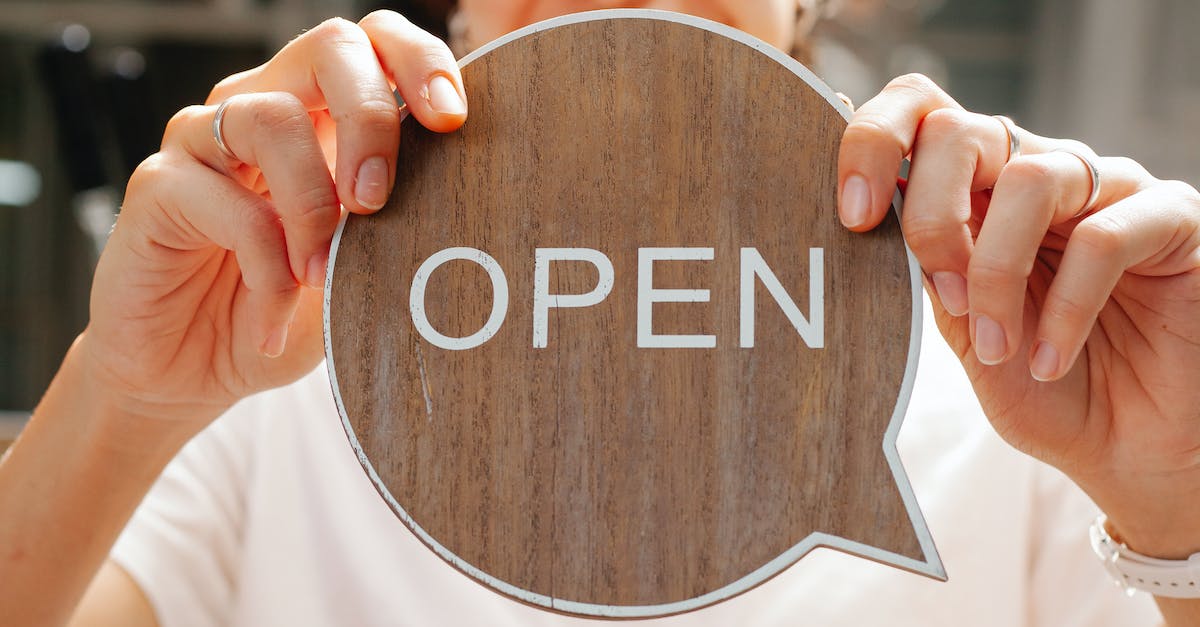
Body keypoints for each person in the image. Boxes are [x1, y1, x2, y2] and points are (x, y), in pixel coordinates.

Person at [2, 1, 1199, 625]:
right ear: (457, 23)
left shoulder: (1023, 379)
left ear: (805, 10)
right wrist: (123, 394)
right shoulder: (284, 369)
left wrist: (1178, 498)